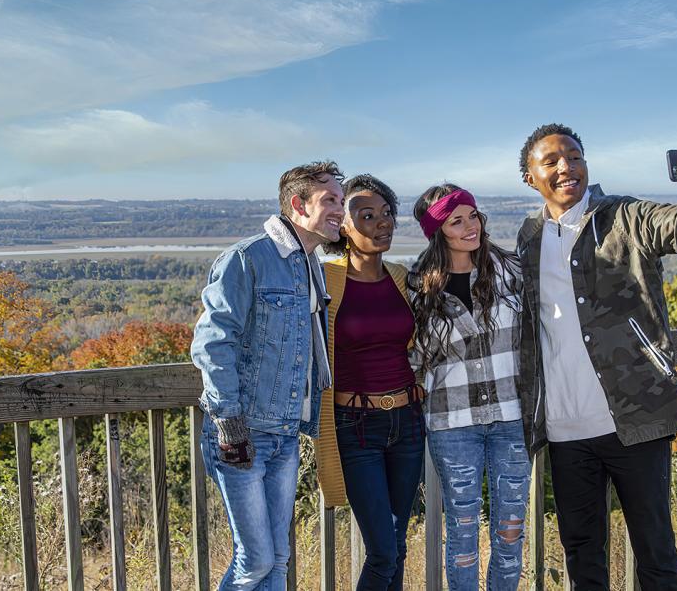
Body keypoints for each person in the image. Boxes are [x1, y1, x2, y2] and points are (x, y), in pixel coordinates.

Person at [513, 124, 677, 590]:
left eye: (574, 156)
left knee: (655, 549)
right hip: (564, 429)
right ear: (530, 178)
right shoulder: (529, 237)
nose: (566, 167)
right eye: (551, 161)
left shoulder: (624, 217)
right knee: (582, 554)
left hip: (634, 418)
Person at [191, 161, 345, 590]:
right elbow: (212, 343)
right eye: (330, 200)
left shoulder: (310, 264)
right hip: (244, 433)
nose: (340, 210)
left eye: (342, 200)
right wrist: (230, 423)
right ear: (298, 204)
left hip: (285, 433)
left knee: (278, 560)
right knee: (255, 560)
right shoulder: (247, 258)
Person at [409, 183, 529, 591]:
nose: (470, 227)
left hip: (511, 417)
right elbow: (416, 358)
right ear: (437, 232)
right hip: (453, 422)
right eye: (456, 222)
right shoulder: (419, 285)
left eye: (472, 216)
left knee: (511, 529)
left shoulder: (511, 270)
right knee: (462, 532)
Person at [315, 174, 422, 591]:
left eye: (387, 213)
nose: (382, 223)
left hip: (408, 422)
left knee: (397, 544)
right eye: (367, 216)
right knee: (382, 552)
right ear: (342, 225)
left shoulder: (401, 278)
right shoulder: (324, 280)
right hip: (356, 426)